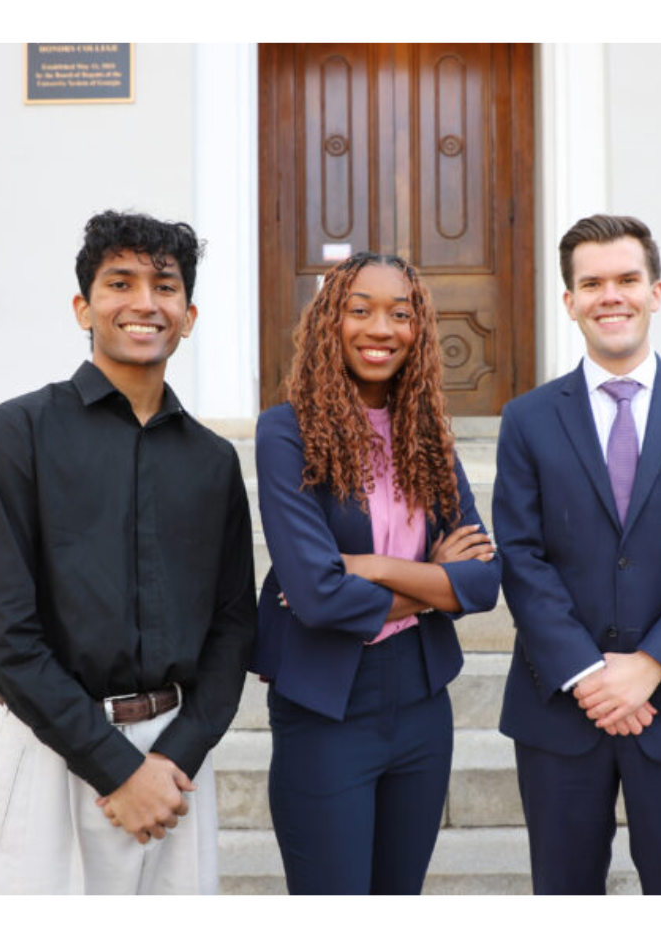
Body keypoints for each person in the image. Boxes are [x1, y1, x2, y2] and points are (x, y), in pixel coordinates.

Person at [0, 210, 256, 894]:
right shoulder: (18, 432)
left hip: (173, 764)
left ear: (190, 313)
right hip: (47, 751)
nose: (145, 303)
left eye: (165, 287)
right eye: (120, 283)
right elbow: (0, 632)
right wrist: (115, 768)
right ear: (83, 307)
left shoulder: (212, 462)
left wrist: (175, 758)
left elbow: (234, 626)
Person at [494, 214, 661, 895]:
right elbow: (522, 558)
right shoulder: (527, 419)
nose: (609, 295)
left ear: (656, 292)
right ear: (571, 301)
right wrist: (588, 674)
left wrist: (649, 667)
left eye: (626, 279)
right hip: (561, 710)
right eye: (592, 283)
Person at [252, 251, 502, 894]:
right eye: (359, 310)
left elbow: (480, 584)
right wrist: (429, 583)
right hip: (327, 706)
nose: (380, 329)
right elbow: (317, 597)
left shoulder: (428, 437)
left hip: (420, 704)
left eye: (400, 313)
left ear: (419, 329)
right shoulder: (287, 434)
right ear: (329, 321)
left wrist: (379, 567)